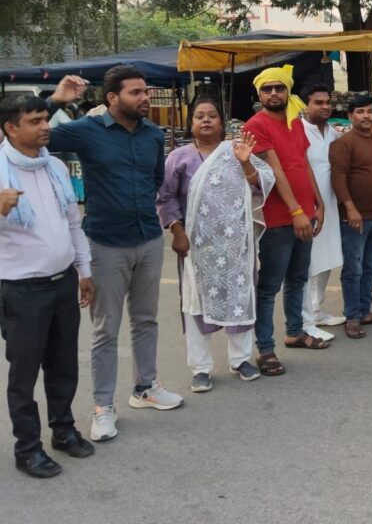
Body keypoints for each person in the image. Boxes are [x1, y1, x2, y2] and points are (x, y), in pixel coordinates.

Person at [47, 66, 183, 443]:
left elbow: (155, 180)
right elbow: (30, 132)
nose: (145, 98)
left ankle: (145, 387)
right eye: (136, 92)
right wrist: (56, 100)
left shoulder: (153, 135)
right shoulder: (86, 131)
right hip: (105, 244)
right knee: (106, 329)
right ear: (112, 98)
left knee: (146, 319)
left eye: (145, 91)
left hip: (148, 239)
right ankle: (103, 406)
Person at [1, 95, 95, 478]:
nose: (45, 127)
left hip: (62, 283)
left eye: (45, 119)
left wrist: (84, 270)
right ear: (10, 128)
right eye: (35, 121)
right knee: (24, 375)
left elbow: (73, 222)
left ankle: (63, 430)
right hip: (21, 290)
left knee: (63, 365)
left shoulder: (54, 166)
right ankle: (27, 448)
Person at [157, 99, 274, 392]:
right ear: (191, 123)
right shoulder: (179, 158)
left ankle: (241, 359)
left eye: (212, 116)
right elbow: (165, 197)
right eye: (199, 116)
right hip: (197, 247)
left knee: (240, 298)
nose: (206, 120)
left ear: (222, 122)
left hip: (236, 247)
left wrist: (245, 162)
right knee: (195, 304)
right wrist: (176, 230)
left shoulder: (235, 151)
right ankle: (200, 368)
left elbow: (261, 185)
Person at [245, 65, 327, 378]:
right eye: (267, 89)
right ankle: (265, 348)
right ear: (259, 94)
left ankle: (294, 332)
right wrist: (296, 212)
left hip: (304, 213)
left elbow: (303, 164)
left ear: (288, 91)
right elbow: (275, 171)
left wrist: (317, 202)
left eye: (279, 88)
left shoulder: (295, 121)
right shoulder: (256, 125)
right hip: (279, 218)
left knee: (298, 278)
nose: (274, 94)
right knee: (269, 285)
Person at [329, 94, 372, 340]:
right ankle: (352, 317)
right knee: (353, 269)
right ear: (350, 116)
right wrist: (350, 208)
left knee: (371, 267)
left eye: (369, 111)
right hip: (355, 219)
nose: (366, 116)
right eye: (360, 112)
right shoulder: (343, 144)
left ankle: (365, 310)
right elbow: (338, 178)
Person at [300, 84, 345, 341]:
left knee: (326, 258)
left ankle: (318, 310)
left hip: (330, 205)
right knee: (307, 263)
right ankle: (305, 319)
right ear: (306, 105)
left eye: (328, 102)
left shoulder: (333, 134)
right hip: (308, 207)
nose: (325, 106)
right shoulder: (298, 131)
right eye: (318, 102)